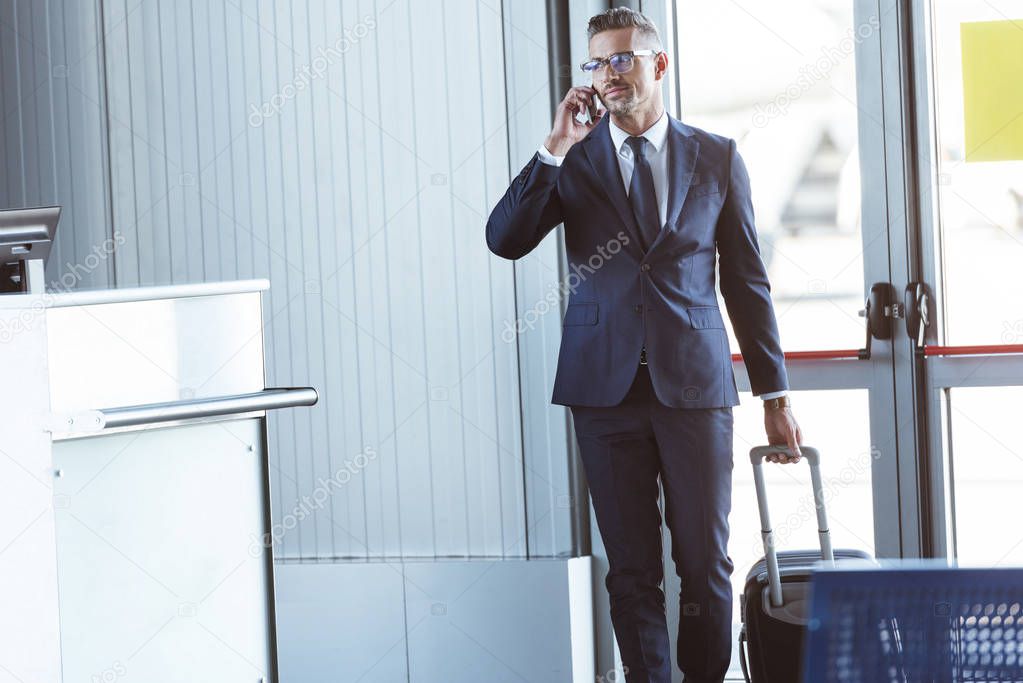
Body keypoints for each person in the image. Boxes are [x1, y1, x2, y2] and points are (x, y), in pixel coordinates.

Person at [485, 7, 803, 683]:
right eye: (596, 62)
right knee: (629, 570)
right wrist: (552, 147)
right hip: (602, 393)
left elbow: (746, 282)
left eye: (622, 58)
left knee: (703, 562)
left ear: (657, 64)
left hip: (693, 386)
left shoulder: (713, 155)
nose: (608, 74)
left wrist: (775, 395)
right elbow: (504, 239)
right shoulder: (572, 161)